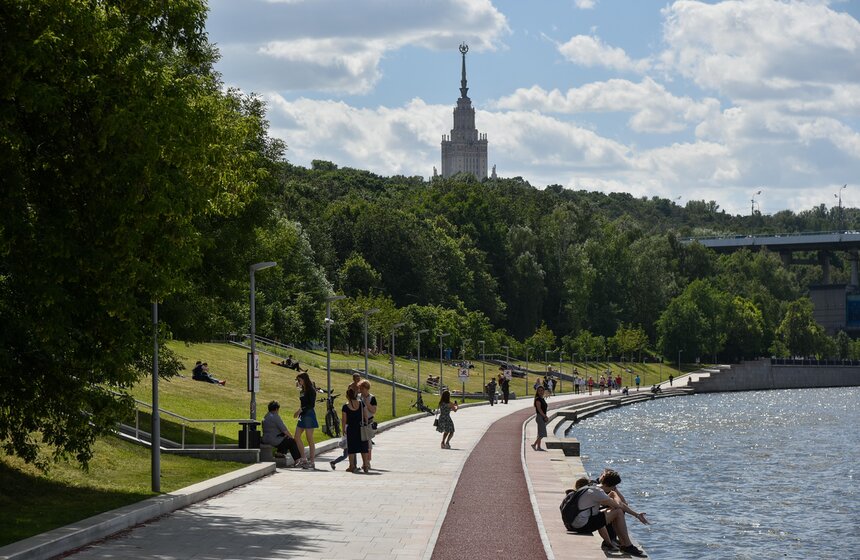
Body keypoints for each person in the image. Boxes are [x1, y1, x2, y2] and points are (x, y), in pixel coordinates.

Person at [566, 469, 649, 557]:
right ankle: (627, 546)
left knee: (613, 510)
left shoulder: (592, 487)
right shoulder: (598, 492)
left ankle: (621, 544)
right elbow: (619, 505)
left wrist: (636, 515)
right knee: (618, 512)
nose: (614, 488)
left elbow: (616, 505)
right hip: (580, 526)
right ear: (608, 485)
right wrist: (614, 493)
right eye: (614, 486)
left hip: (573, 523)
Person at [261, 401, 308, 468]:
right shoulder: (275, 417)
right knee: (291, 442)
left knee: (284, 439)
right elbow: (285, 430)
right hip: (273, 440)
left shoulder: (266, 416)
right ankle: (297, 460)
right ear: (276, 409)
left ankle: (280, 453)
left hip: (265, 439)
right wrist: (292, 438)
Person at [341, 387, 369, 472]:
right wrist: (366, 424)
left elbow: (344, 420)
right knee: (363, 447)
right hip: (361, 428)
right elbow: (365, 415)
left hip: (351, 429)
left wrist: (343, 429)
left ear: (347, 396)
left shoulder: (345, 406)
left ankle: (352, 466)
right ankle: (365, 465)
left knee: (352, 448)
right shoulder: (361, 403)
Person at [293, 372, 318, 468]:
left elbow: (311, 405)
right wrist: (299, 410)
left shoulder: (311, 390)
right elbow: (302, 403)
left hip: (309, 414)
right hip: (303, 415)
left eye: (299, 380)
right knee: (297, 437)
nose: (298, 382)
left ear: (304, 379)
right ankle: (303, 459)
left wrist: (300, 410)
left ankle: (312, 461)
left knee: (309, 438)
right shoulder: (302, 390)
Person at [357, 379, 377, 467]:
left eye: (362, 388)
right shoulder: (358, 397)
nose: (361, 390)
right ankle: (362, 462)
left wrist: (367, 404)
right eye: (360, 388)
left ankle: (367, 461)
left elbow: (374, 410)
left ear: (367, 388)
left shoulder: (372, 398)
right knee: (361, 444)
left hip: (368, 423)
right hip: (359, 422)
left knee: (368, 444)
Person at [531, 386, 549, 451]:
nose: (541, 392)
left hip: (542, 417)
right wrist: (545, 416)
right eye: (539, 391)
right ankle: (534, 445)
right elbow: (539, 409)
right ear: (537, 392)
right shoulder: (538, 399)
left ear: (544, 391)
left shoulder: (542, 398)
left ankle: (538, 447)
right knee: (542, 433)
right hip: (540, 417)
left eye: (542, 390)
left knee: (540, 433)